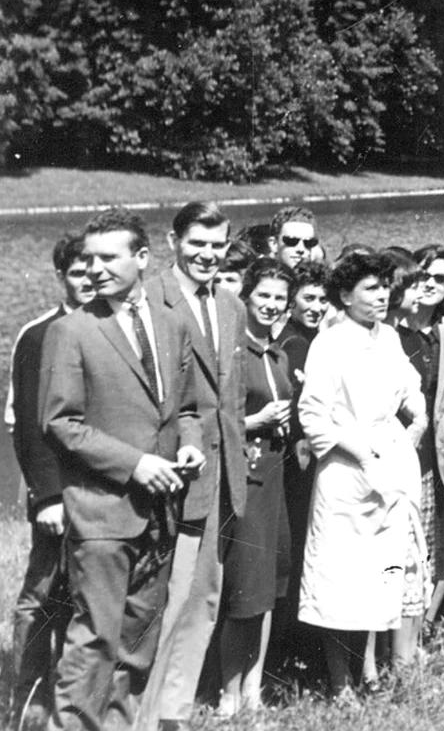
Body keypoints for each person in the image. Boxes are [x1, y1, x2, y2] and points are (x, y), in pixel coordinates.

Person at [42, 208, 206, 731]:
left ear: (142, 258)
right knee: (95, 639)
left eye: (108, 258)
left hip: (159, 511)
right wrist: (135, 464)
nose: (94, 269)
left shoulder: (172, 323)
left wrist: (191, 445)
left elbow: (185, 409)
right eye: (88, 259)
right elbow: (60, 423)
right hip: (102, 514)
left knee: (138, 640)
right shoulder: (72, 331)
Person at [297, 248, 428, 698]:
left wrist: (418, 416)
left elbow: (409, 385)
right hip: (348, 469)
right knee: (342, 578)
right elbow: (314, 415)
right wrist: (364, 456)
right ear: (345, 295)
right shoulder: (330, 343)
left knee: (380, 575)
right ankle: (339, 683)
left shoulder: (388, 337)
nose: (381, 296)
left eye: (384, 287)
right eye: (370, 289)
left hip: (389, 464)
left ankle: (369, 671)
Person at [137, 201, 246, 731]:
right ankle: (143, 712)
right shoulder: (149, 298)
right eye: (197, 243)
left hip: (222, 479)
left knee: (204, 597)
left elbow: (230, 399)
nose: (207, 254)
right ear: (173, 240)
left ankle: (174, 712)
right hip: (171, 474)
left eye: (217, 245)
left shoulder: (231, 304)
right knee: (166, 600)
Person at [9, 233, 90, 729]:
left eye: (95, 268)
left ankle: (76, 700)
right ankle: (28, 702)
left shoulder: (113, 327)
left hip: (102, 490)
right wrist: (47, 497)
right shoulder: (39, 334)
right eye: (77, 270)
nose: (88, 278)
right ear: (61, 275)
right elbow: (27, 427)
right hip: (56, 492)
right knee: (41, 596)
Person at [218, 259, 299, 717]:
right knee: (244, 589)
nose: (270, 305)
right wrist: (256, 421)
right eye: (263, 296)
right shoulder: (232, 353)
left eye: (279, 300)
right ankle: (229, 695)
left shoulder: (279, 355)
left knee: (268, 589)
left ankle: (255, 689)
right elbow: (219, 420)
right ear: (246, 298)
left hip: (274, 476)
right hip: (244, 478)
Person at [390, 244, 444, 654]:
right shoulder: (392, 330)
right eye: (423, 275)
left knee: (436, 543)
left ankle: (421, 629)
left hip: (437, 451)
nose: (430, 285)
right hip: (399, 448)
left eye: (441, 278)